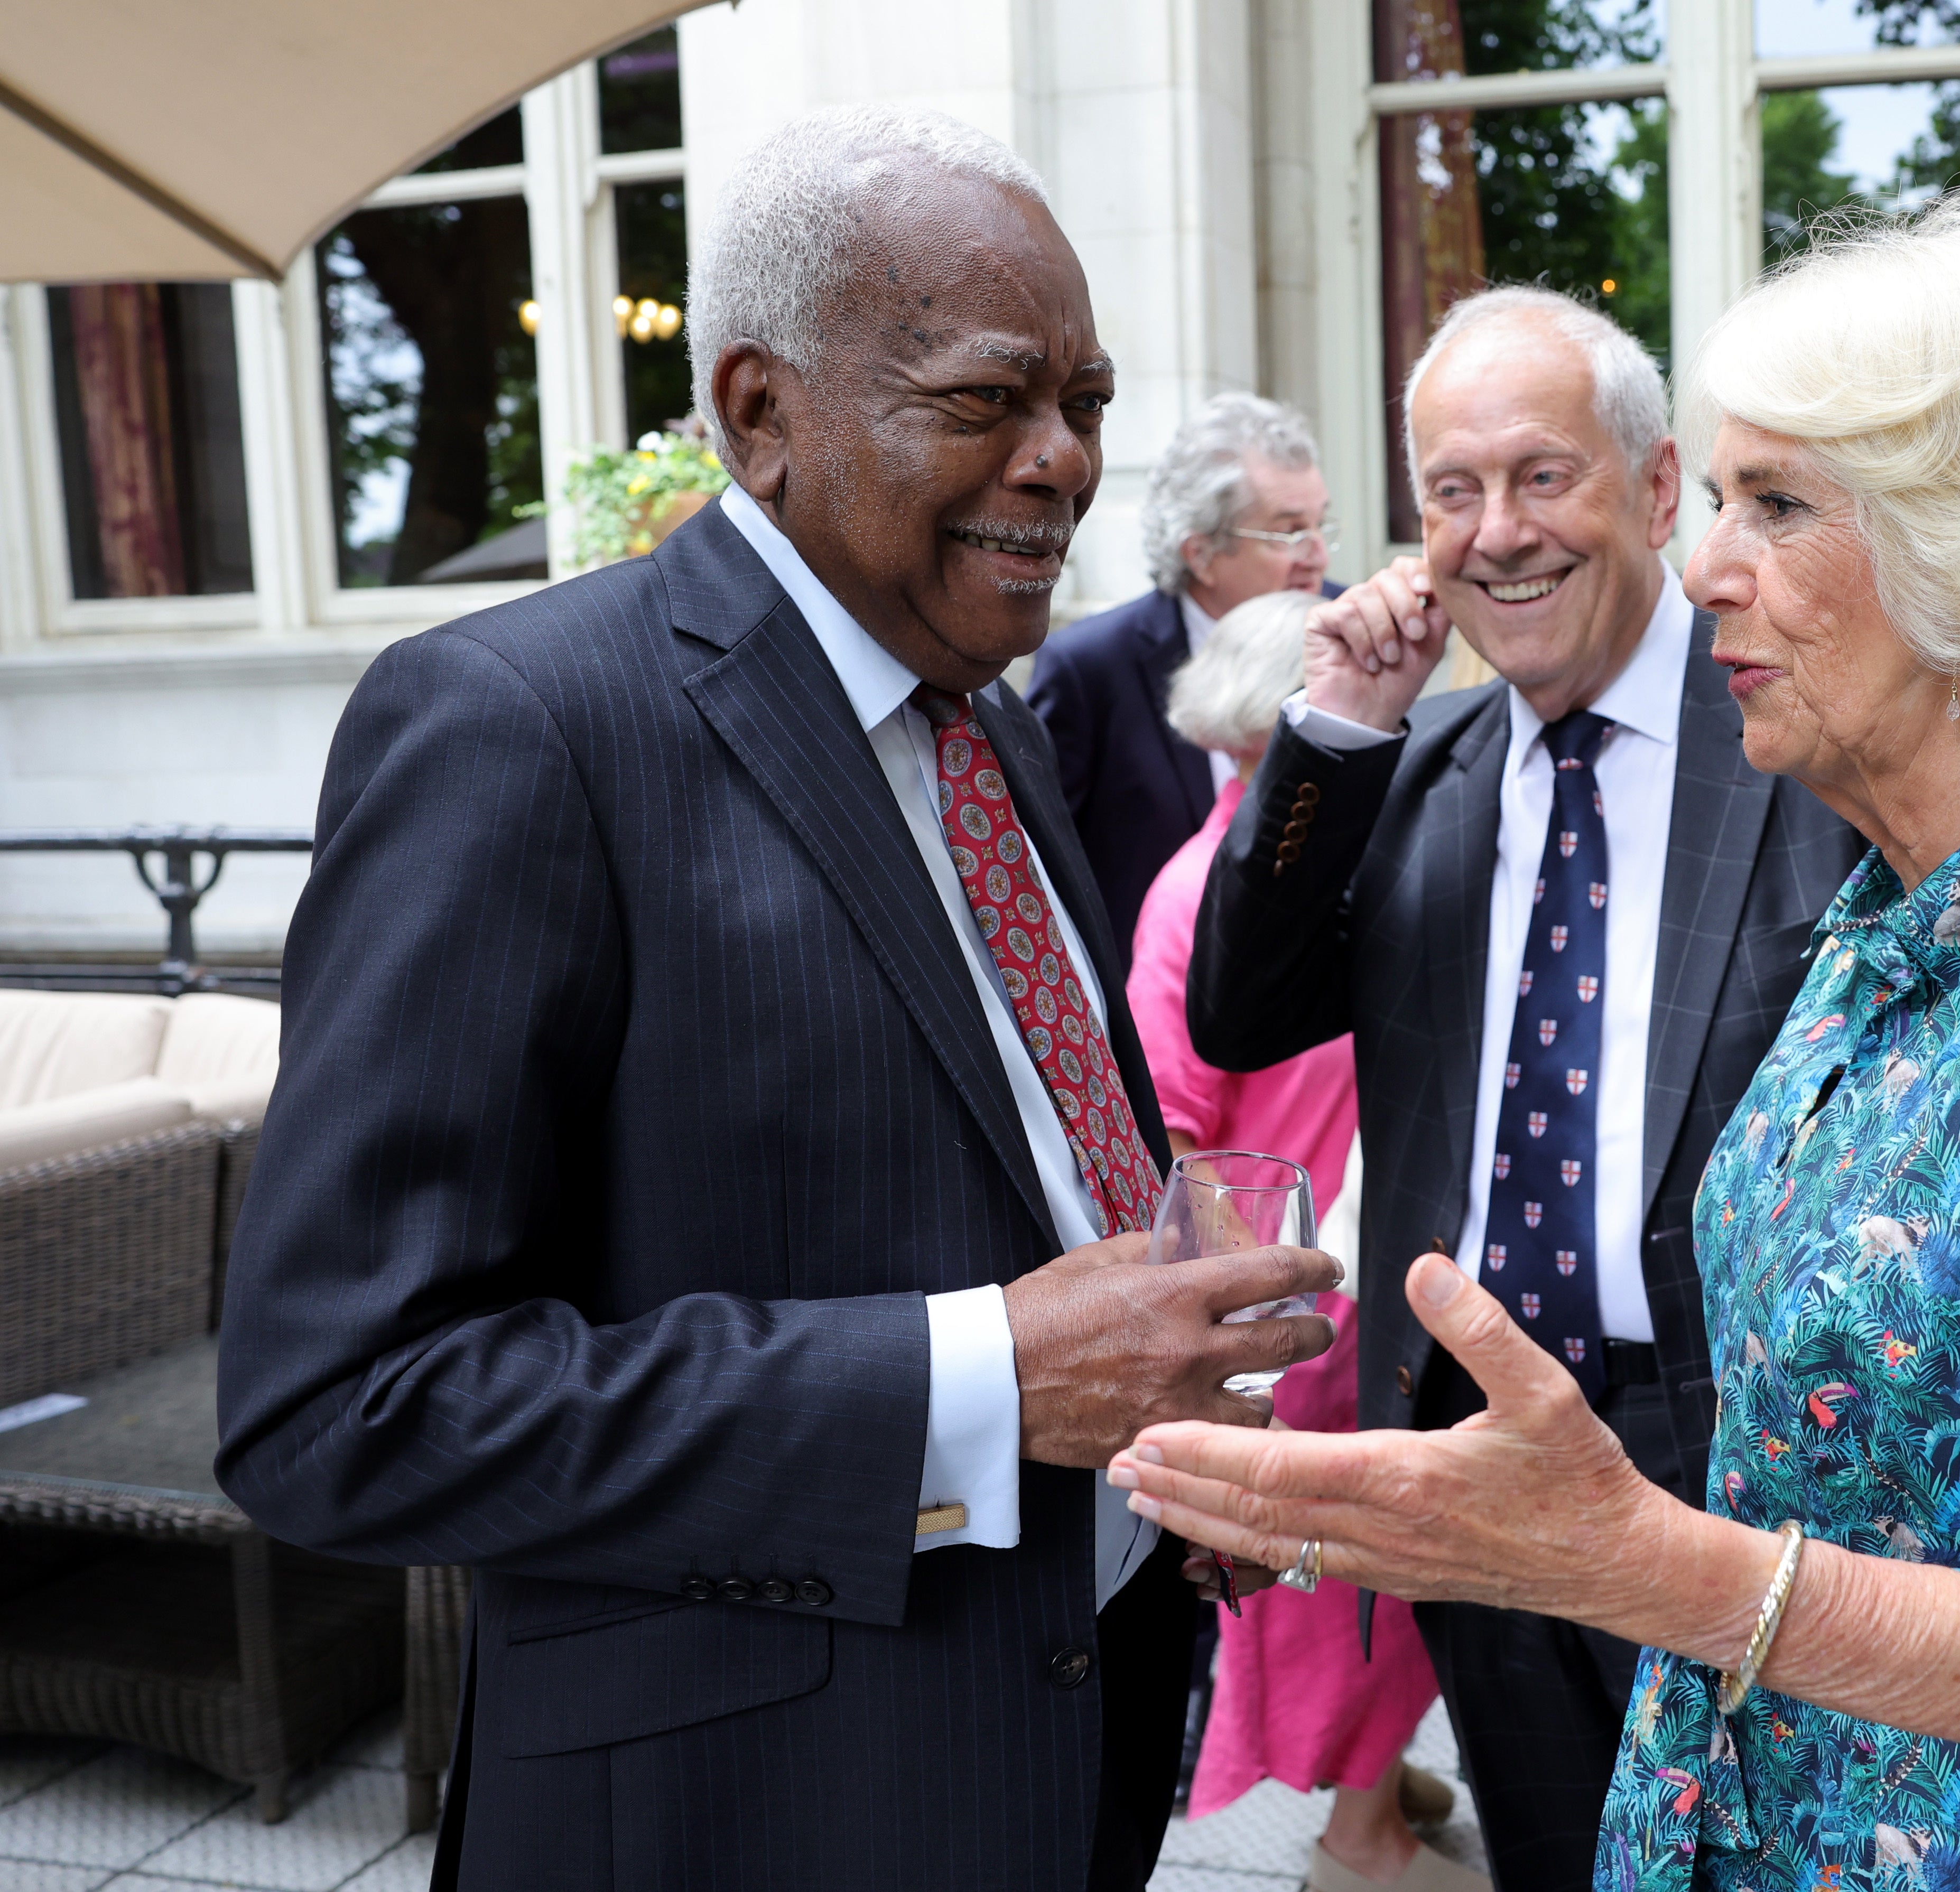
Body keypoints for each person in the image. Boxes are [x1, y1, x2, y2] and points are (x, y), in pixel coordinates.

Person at [1122, 194, 1960, 1890]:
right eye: (1722, 497)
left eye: (1772, 504)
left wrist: (1638, 1560)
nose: (1706, 564)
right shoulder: (1900, 900)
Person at [212, 106, 1337, 1892]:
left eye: (1087, 405)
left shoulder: (988, 714)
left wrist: (1156, 1416)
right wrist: (982, 1380)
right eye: (986, 402)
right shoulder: (520, 731)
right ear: (758, 411)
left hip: (1067, 1743)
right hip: (749, 1815)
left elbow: (1022, 1170)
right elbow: (339, 1409)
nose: (1060, 462)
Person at [1185, 282, 1865, 1885]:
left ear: (1646, 490)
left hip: (1734, 1465)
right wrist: (1332, 730)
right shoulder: (1412, 775)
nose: (1496, 532)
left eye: (1540, 475)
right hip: (1474, 1455)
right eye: (1449, 490)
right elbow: (1235, 1008)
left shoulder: (1793, 741)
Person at [1126, 586, 1481, 1892]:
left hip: (1363, 1278)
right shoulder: (1196, 895)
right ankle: (1360, 1840)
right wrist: (1254, 1339)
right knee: (1351, 1588)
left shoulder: (1336, 869)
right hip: (1301, 1306)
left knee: (1383, 1569)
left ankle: (1375, 1790)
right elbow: (1170, 1138)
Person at [1030, 392, 1335, 963]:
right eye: (1289, 532)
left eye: (1320, 524)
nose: (1317, 555)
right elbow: (1044, 874)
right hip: (1155, 1003)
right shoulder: (1091, 669)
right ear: (1201, 552)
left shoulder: (1346, 633)